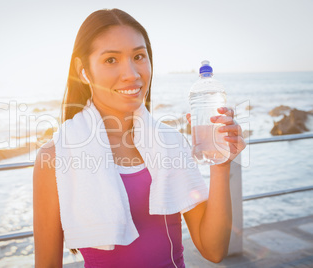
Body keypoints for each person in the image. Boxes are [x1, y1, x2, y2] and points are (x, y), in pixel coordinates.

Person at [33, 8, 246, 268]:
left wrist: (221, 164)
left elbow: (213, 250)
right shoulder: (55, 158)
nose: (132, 73)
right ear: (83, 70)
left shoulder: (170, 144)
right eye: (111, 60)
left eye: (139, 56)